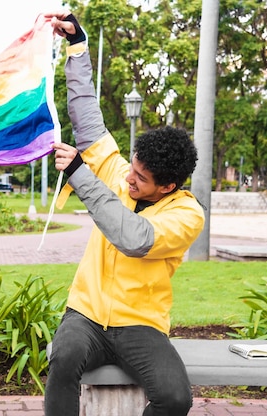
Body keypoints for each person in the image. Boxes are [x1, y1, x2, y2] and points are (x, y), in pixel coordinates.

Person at [44, 11, 205, 416]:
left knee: (176, 399)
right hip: (86, 313)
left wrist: (81, 174)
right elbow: (87, 118)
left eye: (141, 179)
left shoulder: (187, 215)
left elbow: (133, 237)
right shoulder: (119, 173)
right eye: (131, 168)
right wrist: (77, 46)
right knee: (62, 359)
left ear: (167, 186)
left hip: (140, 324)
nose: (128, 180)